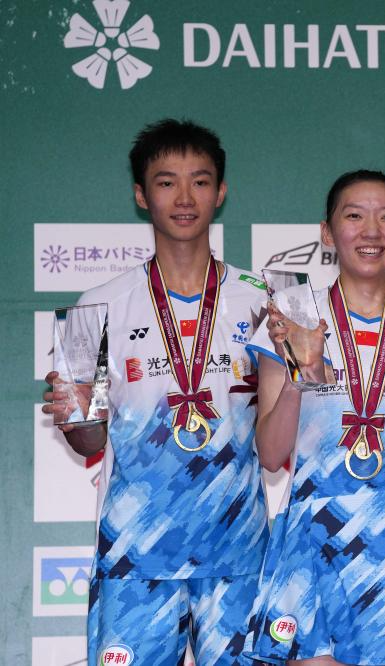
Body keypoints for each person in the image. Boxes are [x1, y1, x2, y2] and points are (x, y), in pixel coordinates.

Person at [42, 119, 270, 665]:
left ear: (221, 191)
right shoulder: (96, 305)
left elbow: (285, 428)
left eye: (200, 181)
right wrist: (75, 414)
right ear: (142, 195)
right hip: (136, 552)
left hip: (238, 550)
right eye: (167, 182)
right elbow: (89, 440)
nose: (184, 197)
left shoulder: (264, 301)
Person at [246, 169, 385, 665]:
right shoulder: (290, 318)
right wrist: (298, 377)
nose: (371, 231)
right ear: (327, 233)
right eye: (354, 216)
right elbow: (271, 453)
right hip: (315, 543)